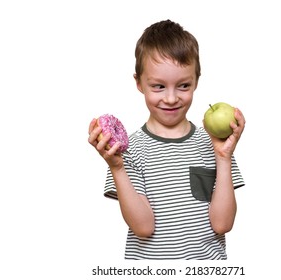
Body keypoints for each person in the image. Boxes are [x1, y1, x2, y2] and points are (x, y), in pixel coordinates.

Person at [88, 19, 246, 260]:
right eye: (159, 86)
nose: (171, 98)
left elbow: (222, 224)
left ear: (196, 81)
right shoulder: (126, 151)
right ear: (139, 83)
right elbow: (143, 228)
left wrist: (224, 158)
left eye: (183, 86)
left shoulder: (214, 145)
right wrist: (117, 168)